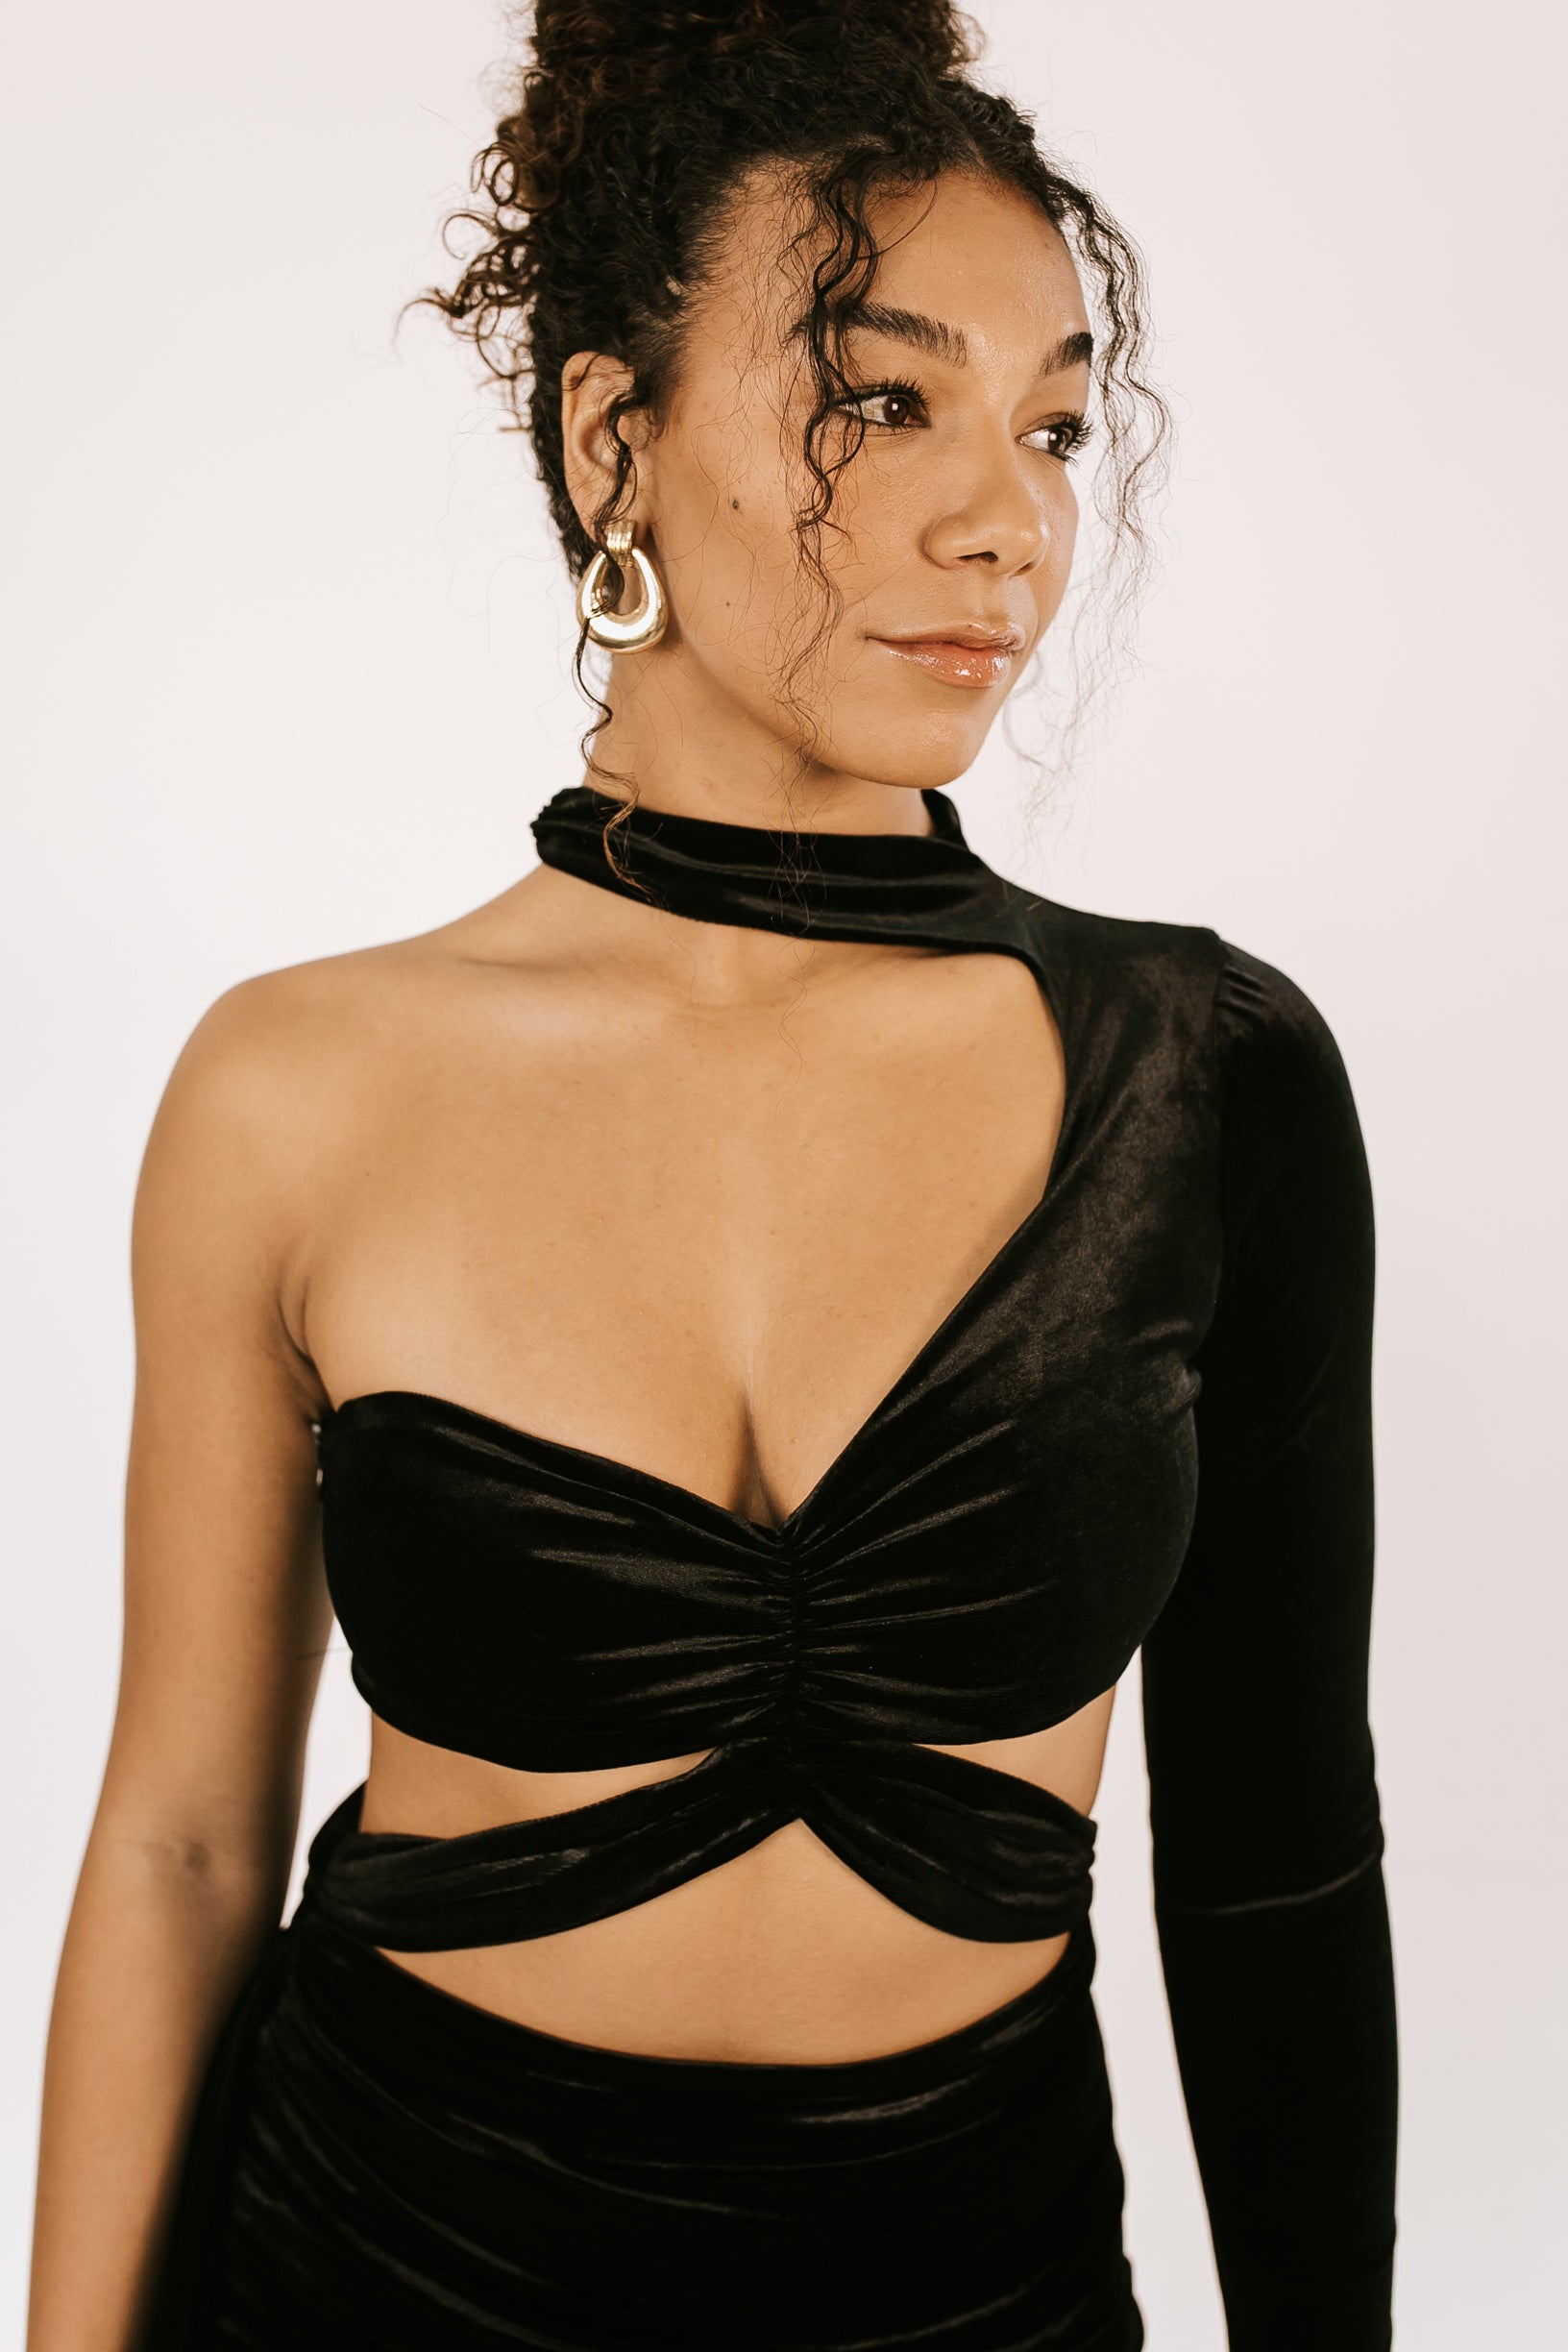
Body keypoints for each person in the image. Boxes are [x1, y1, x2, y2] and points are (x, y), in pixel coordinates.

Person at [25, 4, 1398, 2347]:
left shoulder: (1211, 1079)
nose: (1009, 518)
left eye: (1055, 423)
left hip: (974, 2292)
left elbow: (1277, 1862)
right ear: (612, 441)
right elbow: (181, 1843)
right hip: (374, 2269)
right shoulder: (297, 1088)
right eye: (885, 399)